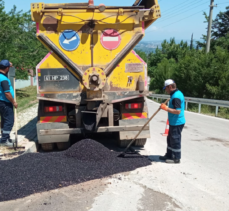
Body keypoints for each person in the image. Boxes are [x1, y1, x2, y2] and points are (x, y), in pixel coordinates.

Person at [159, 79, 186, 164]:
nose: (166, 90)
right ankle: (169, 155)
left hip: (177, 122)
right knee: (170, 139)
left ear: (170, 87)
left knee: (175, 139)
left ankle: (176, 158)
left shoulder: (176, 96)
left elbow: (178, 111)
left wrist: (166, 108)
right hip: (173, 122)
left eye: (166, 88)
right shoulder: (174, 94)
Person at [0, 60, 18, 146]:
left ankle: (5, 137)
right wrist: (14, 102)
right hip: (5, 102)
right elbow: (7, 93)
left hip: (1, 102)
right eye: (8, 67)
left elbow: (5, 66)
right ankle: (4, 141)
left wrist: (9, 64)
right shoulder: (3, 79)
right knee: (9, 121)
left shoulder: (1, 75)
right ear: (7, 68)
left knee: (4, 120)